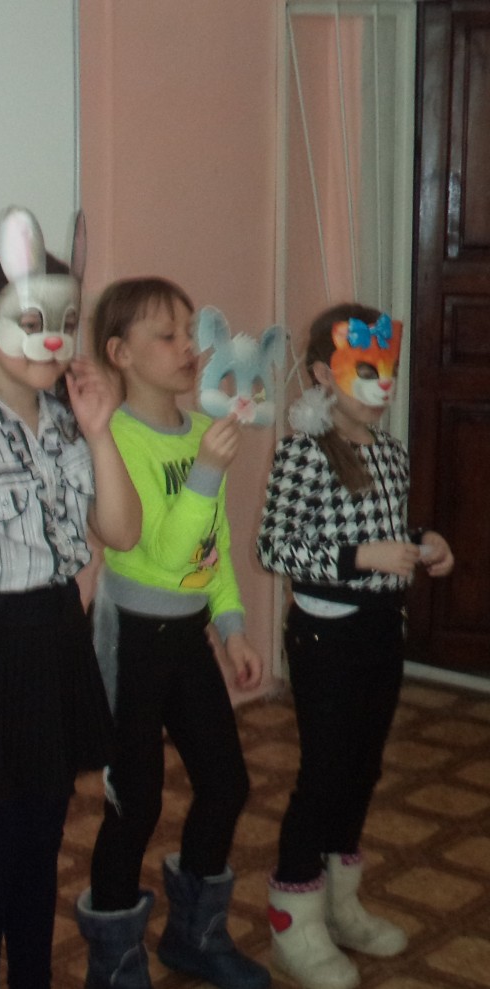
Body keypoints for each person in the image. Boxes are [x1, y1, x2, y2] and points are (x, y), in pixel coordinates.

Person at [0, 206, 142, 989]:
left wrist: (101, 430)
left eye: (67, 324)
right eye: (33, 322)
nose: (54, 341)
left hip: (56, 636)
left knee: (44, 834)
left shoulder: (69, 423)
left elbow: (120, 530)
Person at [78, 277, 271, 989]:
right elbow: (159, 553)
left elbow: (208, 550)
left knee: (227, 782)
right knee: (136, 804)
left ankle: (194, 934)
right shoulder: (116, 439)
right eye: (167, 335)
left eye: (190, 332)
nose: (188, 347)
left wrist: (232, 627)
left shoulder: (196, 431)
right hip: (131, 636)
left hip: (188, 636)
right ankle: (114, 959)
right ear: (120, 353)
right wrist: (209, 473)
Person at [257, 304, 453, 989]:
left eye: (387, 368)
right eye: (364, 369)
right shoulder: (303, 453)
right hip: (325, 635)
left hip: (379, 630)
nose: (383, 383)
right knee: (325, 771)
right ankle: (293, 919)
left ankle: (340, 904)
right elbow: (276, 545)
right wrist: (362, 556)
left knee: (364, 767)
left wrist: (423, 542)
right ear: (321, 373)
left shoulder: (389, 450)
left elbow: (385, 527)